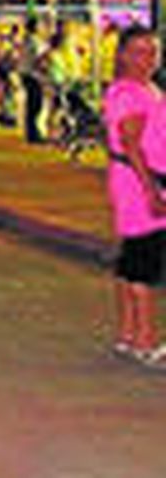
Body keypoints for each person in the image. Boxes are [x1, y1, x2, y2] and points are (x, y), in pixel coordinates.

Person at [101, 27, 166, 365]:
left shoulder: (145, 89)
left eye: (152, 52)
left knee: (132, 258)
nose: (147, 60)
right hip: (140, 181)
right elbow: (131, 144)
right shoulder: (130, 93)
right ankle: (145, 339)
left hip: (137, 179)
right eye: (139, 52)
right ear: (123, 55)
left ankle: (129, 335)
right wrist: (151, 190)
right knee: (145, 258)